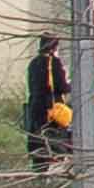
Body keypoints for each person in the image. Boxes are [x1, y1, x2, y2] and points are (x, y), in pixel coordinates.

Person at [24, 33, 71, 170]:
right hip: (51, 110)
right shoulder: (54, 63)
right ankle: (54, 171)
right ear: (54, 47)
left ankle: (39, 172)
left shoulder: (33, 63)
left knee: (38, 142)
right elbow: (61, 86)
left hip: (35, 108)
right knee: (54, 142)